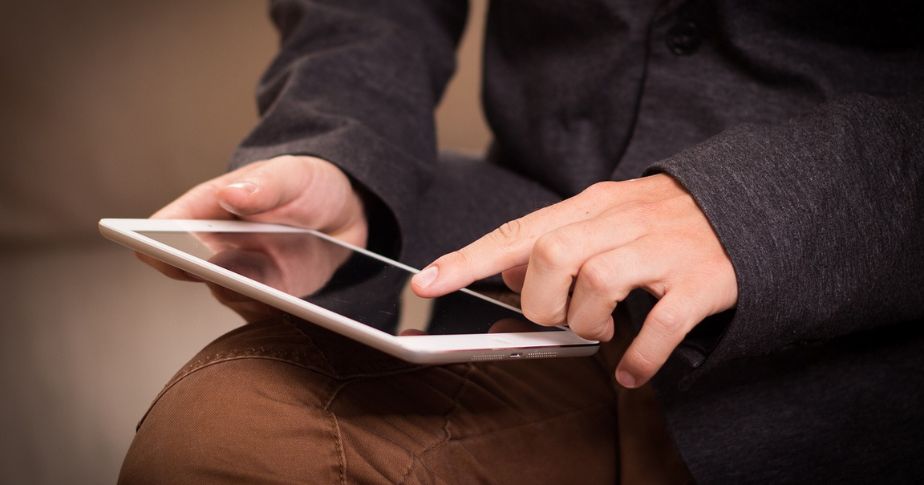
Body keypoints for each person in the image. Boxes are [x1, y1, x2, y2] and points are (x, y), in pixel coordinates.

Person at [120, 0, 924, 483]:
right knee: (229, 435)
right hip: (530, 307)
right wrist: (346, 148)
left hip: (863, 361)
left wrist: (755, 209)